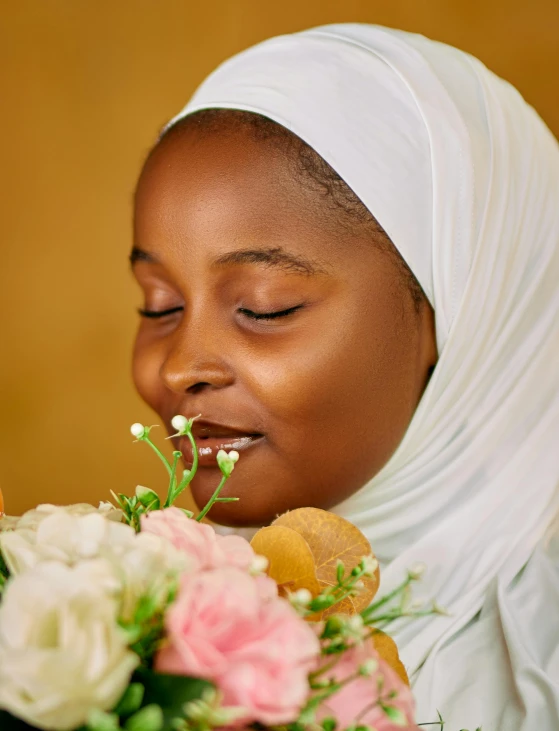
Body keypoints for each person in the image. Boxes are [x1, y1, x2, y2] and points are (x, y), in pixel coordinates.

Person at [131, 24, 559, 730]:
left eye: (264, 308)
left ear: (456, 313)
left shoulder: (532, 664)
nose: (179, 365)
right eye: (159, 304)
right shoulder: (118, 611)